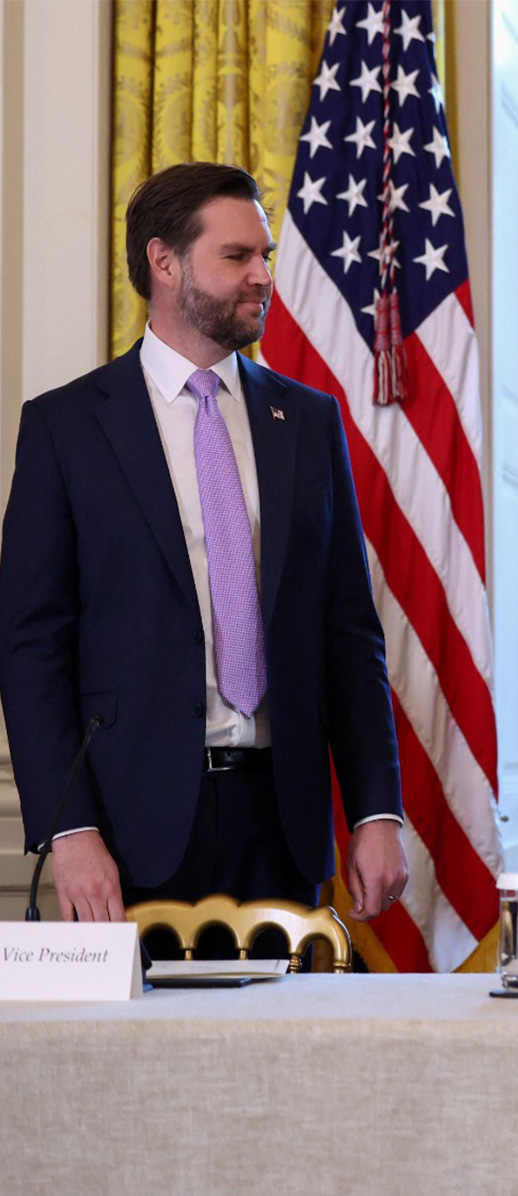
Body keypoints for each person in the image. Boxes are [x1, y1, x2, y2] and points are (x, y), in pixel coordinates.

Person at [0, 162, 408, 926]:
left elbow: (350, 637)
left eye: (266, 256)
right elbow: (31, 648)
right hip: (129, 833)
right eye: (236, 257)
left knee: (282, 1048)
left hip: (282, 824)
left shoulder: (310, 422)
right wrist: (71, 828)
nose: (262, 276)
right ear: (164, 262)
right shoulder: (66, 429)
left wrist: (376, 810)